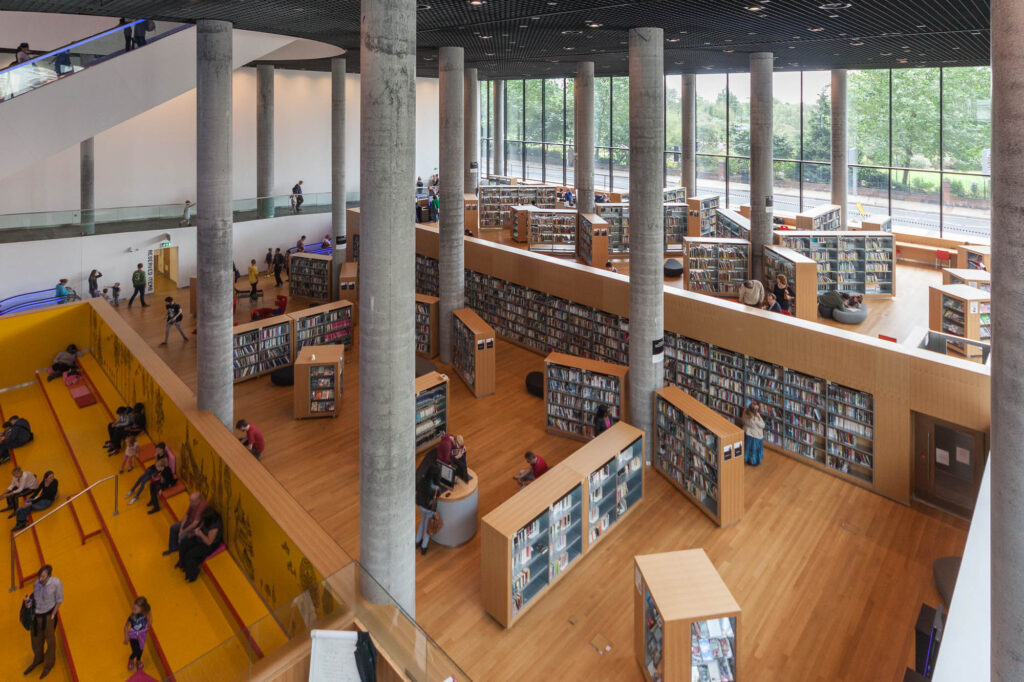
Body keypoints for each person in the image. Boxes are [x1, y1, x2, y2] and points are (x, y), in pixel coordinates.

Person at [24, 564, 62, 677]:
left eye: (43, 577)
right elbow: (34, 599)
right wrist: (28, 604)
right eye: (40, 576)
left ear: (49, 576)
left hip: (48, 617)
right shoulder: (37, 585)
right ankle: (38, 659)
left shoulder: (54, 586)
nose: (40, 579)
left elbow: (58, 600)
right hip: (36, 618)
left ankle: (49, 664)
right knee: (35, 640)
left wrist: (53, 614)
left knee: (50, 641)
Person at [178, 507, 223, 582]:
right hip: (201, 538)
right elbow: (201, 526)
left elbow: (209, 542)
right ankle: (182, 564)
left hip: (208, 545)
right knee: (184, 543)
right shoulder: (206, 520)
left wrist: (200, 534)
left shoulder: (214, 527)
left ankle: (193, 575)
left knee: (190, 554)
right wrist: (194, 532)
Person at [123, 596, 152, 671]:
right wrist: (126, 637)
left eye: (135, 609)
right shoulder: (132, 617)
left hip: (142, 634)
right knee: (135, 651)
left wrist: (150, 621)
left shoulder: (145, 612)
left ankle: (138, 660)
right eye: (133, 608)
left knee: (141, 649)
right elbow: (126, 626)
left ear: (142, 609)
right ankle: (131, 659)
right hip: (133, 635)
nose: (133, 610)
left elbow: (149, 611)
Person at [414, 471, 439, 555]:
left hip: (420, 506)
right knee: (427, 527)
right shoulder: (435, 488)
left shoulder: (421, 480)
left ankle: (417, 541)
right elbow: (438, 495)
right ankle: (424, 547)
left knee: (423, 521)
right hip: (428, 509)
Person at [742, 402, 765, 466]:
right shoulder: (756, 419)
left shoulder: (745, 413)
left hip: (749, 434)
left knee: (749, 448)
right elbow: (763, 425)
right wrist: (759, 417)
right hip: (756, 436)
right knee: (755, 450)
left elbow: (743, 421)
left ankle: (749, 459)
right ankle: (755, 461)